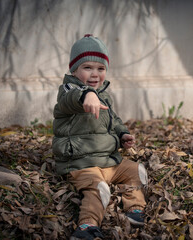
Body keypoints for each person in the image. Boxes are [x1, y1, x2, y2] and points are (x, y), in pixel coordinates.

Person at [52, 34, 148, 240]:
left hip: (109, 161)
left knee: (136, 171)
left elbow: (113, 119)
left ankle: (135, 209)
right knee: (98, 189)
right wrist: (87, 95)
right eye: (87, 68)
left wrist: (122, 134)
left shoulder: (103, 94)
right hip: (81, 163)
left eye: (100, 69)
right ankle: (87, 226)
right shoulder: (69, 90)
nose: (95, 74)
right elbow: (72, 99)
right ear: (74, 70)